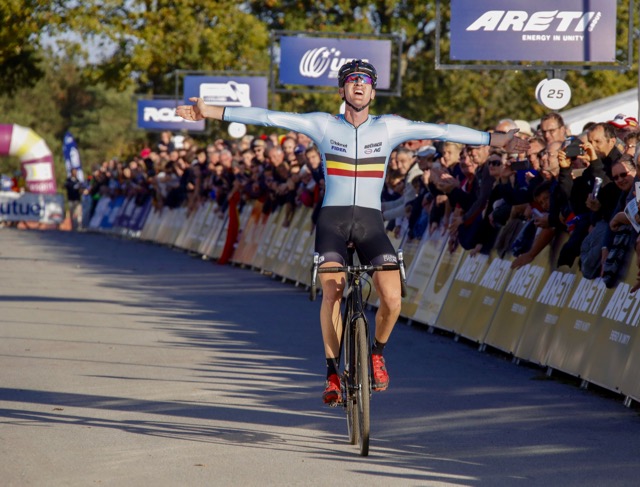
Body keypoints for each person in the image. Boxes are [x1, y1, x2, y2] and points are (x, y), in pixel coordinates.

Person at [176, 59, 528, 405]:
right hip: (333, 221)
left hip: (371, 223)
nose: (359, 84)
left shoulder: (389, 127)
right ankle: (332, 372)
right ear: (342, 89)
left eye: (366, 80)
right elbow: (267, 116)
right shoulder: (322, 124)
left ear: (373, 91)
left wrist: (498, 140)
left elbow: (444, 131)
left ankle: (376, 353)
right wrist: (211, 111)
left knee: (392, 297)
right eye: (352, 79)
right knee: (332, 293)